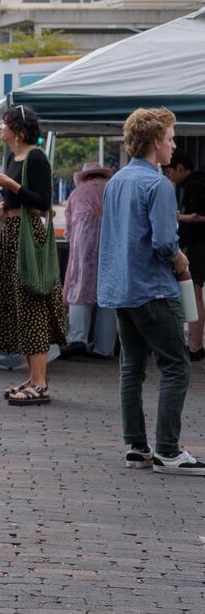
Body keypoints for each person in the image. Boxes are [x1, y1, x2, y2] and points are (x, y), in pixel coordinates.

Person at [99, 108, 200, 474]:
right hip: (152, 289)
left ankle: (137, 446)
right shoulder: (158, 185)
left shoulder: (117, 181)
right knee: (177, 366)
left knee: (132, 368)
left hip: (120, 288)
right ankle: (168, 451)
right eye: (171, 139)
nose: (174, 146)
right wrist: (178, 258)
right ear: (156, 142)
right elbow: (162, 242)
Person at [0, 104, 67, 406]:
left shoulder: (36, 157)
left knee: (33, 304)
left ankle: (40, 383)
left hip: (28, 237)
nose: (0, 127)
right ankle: (34, 377)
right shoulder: (12, 156)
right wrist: (3, 205)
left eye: (5, 122)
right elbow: (16, 198)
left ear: (19, 130)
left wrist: (9, 184)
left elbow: (41, 202)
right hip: (11, 234)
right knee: (19, 305)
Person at [61, 161, 117, 359]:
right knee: (108, 295)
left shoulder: (77, 194)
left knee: (80, 289)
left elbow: (68, 229)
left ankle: (78, 338)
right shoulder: (113, 189)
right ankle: (105, 347)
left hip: (83, 247)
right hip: (112, 245)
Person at [163, 152, 205, 360]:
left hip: (198, 244)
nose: (170, 176)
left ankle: (195, 345)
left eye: (170, 172)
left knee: (195, 292)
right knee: (196, 292)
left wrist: (178, 216)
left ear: (180, 168)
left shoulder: (192, 185)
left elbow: (198, 215)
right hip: (197, 244)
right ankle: (195, 343)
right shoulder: (198, 181)